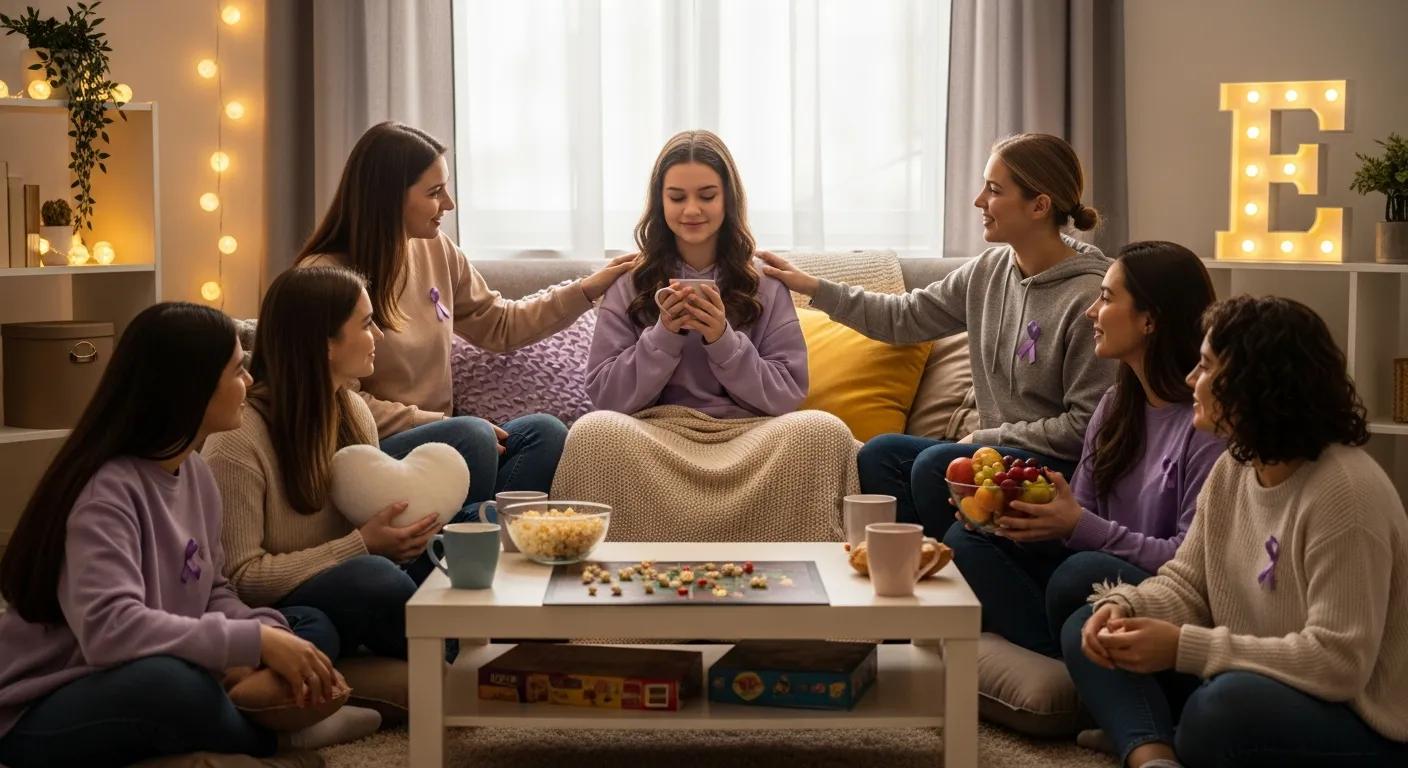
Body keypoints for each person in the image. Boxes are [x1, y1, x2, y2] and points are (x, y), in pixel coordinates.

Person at [0, 302, 377, 767]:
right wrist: (253, 644)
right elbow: (109, 631)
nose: (250, 381)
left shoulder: (194, 472)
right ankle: (281, 742)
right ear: (191, 386)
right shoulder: (105, 494)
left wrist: (269, 634)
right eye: (237, 370)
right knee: (174, 686)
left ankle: (245, 716)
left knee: (305, 623)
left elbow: (213, 589)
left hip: (150, 657)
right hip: (46, 701)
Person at [1064, 295, 1408, 767]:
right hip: (1249, 673)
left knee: (1219, 711)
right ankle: (1154, 754)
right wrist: (1127, 606)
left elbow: (1338, 663)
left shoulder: (1344, 493)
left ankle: (1162, 732)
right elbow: (1187, 583)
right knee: (1089, 624)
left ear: (1254, 383)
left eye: (1206, 366)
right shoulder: (1234, 467)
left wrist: (1183, 647)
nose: (1191, 379)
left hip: (1356, 719)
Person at [761, 132, 1115, 539]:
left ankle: (960, 555)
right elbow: (904, 317)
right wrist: (814, 288)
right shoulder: (989, 270)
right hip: (992, 457)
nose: (979, 200)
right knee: (879, 454)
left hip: (1053, 469)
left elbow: (1085, 426)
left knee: (935, 465)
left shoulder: (1091, 297)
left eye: (994, 190)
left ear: (1039, 206)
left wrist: (985, 437)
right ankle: (929, 559)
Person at [297, 121, 636, 521]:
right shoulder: (325, 278)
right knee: (473, 436)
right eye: (434, 192)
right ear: (388, 198)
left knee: (544, 433)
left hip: (448, 443)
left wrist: (586, 290)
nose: (449, 204)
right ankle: (476, 527)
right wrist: (441, 425)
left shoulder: (436, 249)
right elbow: (340, 402)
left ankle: (470, 524)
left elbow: (499, 323)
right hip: (374, 450)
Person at [554, 130, 856, 541]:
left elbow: (787, 395)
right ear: (660, 202)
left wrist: (723, 341)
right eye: (677, 197)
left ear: (728, 199)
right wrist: (664, 336)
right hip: (656, 434)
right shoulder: (628, 281)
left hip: (749, 435)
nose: (692, 210)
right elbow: (606, 396)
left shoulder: (766, 282)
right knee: (593, 432)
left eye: (707, 196)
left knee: (823, 430)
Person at [944, 241, 1224, 657]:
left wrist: (1078, 526)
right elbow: (1082, 514)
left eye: (1106, 298)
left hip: (1159, 588)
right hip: (1093, 569)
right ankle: (1067, 652)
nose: (1091, 311)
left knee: (1079, 572)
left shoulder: (1204, 427)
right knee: (968, 539)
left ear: (1149, 320)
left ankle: (1068, 649)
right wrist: (1018, 519)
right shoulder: (1114, 406)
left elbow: (1185, 558)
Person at [207, 266, 441, 661]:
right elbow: (241, 579)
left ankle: (485, 646)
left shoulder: (353, 411)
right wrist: (362, 545)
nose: (379, 335)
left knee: (456, 539)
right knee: (372, 579)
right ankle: (460, 666)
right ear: (325, 344)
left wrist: (404, 534)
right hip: (285, 601)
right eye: (366, 324)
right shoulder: (237, 441)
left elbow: (368, 523)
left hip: (351, 575)